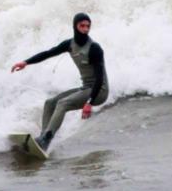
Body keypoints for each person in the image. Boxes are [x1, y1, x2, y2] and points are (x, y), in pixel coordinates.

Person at [11, 12, 109, 150]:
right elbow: (48, 53)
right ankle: (43, 138)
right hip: (86, 88)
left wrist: (89, 103)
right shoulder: (69, 44)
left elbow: (100, 78)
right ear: (75, 26)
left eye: (88, 26)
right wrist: (26, 62)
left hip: (99, 91)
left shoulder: (94, 48)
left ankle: (46, 139)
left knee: (63, 103)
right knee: (50, 102)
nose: (86, 29)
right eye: (82, 26)